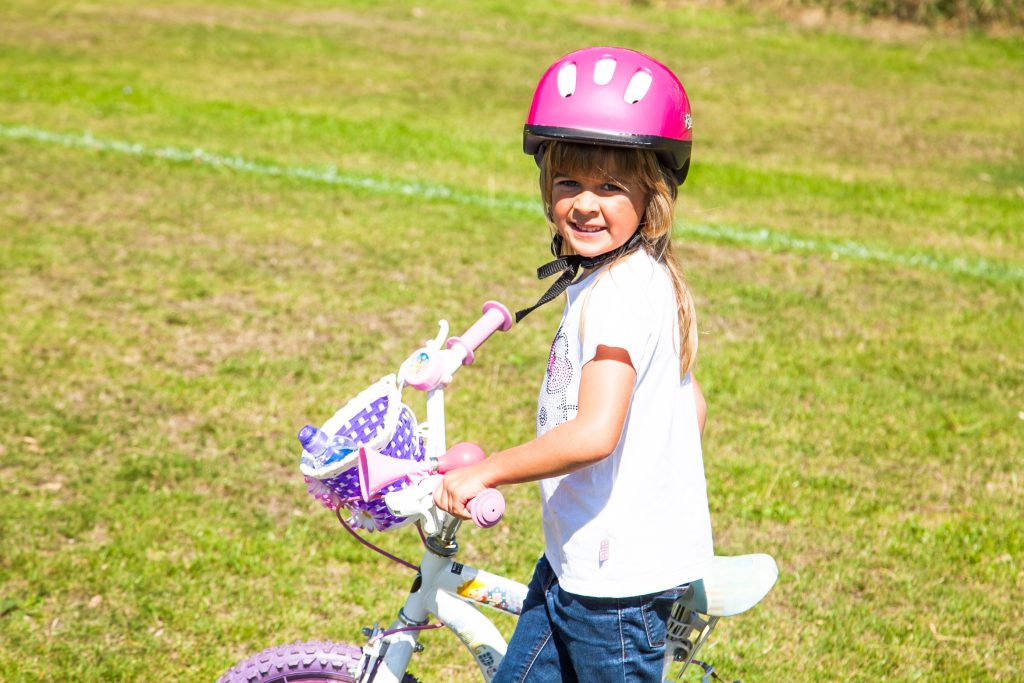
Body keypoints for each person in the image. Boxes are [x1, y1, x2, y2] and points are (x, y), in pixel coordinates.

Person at [433, 46, 713, 683]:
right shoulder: (641, 276)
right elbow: (689, 407)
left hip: (613, 595)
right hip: (577, 564)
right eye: (570, 183)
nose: (586, 204)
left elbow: (593, 434)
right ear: (546, 188)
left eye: (611, 186)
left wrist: (492, 474)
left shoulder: (616, 295)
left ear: (653, 196)